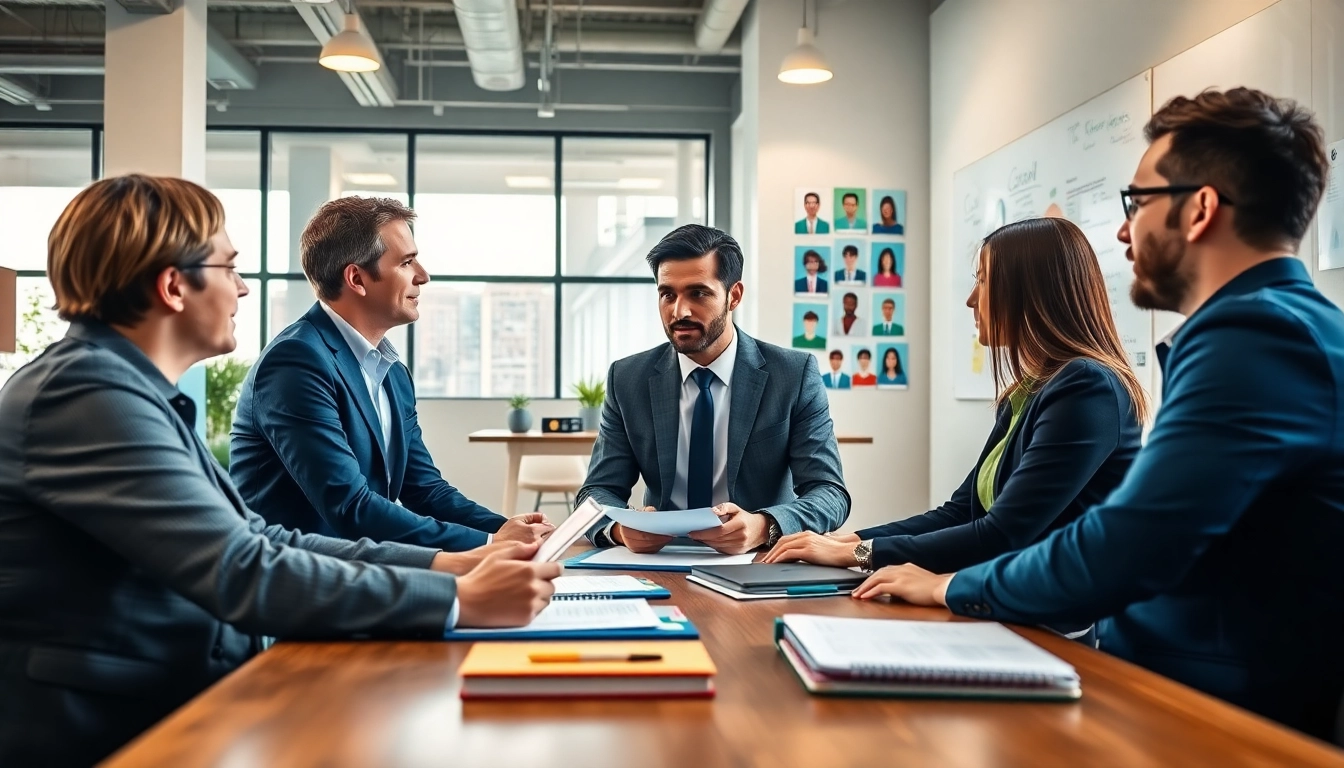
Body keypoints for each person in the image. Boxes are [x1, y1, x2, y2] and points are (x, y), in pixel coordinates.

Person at [0, 175, 559, 767]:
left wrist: (452, 563)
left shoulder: (128, 390)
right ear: (173, 286)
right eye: (229, 267)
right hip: (113, 728)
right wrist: (456, 598)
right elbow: (240, 567)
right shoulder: (87, 395)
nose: (243, 288)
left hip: (186, 697)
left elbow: (258, 537)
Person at [854, 88, 1344, 740]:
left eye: (1137, 203)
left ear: (1200, 209)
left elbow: (1128, 542)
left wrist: (950, 587)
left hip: (1208, 709)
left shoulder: (1256, 336)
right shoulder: (1281, 327)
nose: (1121, 230)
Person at [767, 217, 1146, 597]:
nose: (971, 299)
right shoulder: (1026, 393)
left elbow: (1003, 533)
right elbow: (961, 512)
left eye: (983, 281)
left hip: (1061, 617)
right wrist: (849, 541)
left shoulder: (1086, 386)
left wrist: (861, 554)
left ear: (1031, 291)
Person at [231, 197, 552, 551]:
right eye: (407, 262)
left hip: (362, 569)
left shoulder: (393, 373)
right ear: (357, 279)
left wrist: (507, 528)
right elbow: (350, 507)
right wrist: (491, 543)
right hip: (296, 574)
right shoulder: (296, 362)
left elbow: (425, 490)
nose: (423, 276)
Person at [578, 224, 849, 555]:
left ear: (734, 295)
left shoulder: (793, 375)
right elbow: (596, 492)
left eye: (698, 293)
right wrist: (620, 529)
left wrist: (764, 526)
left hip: (758, 559)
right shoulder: (627, 379)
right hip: (659, 558)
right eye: (668, 294)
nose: (679, 311)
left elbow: (829, 492)